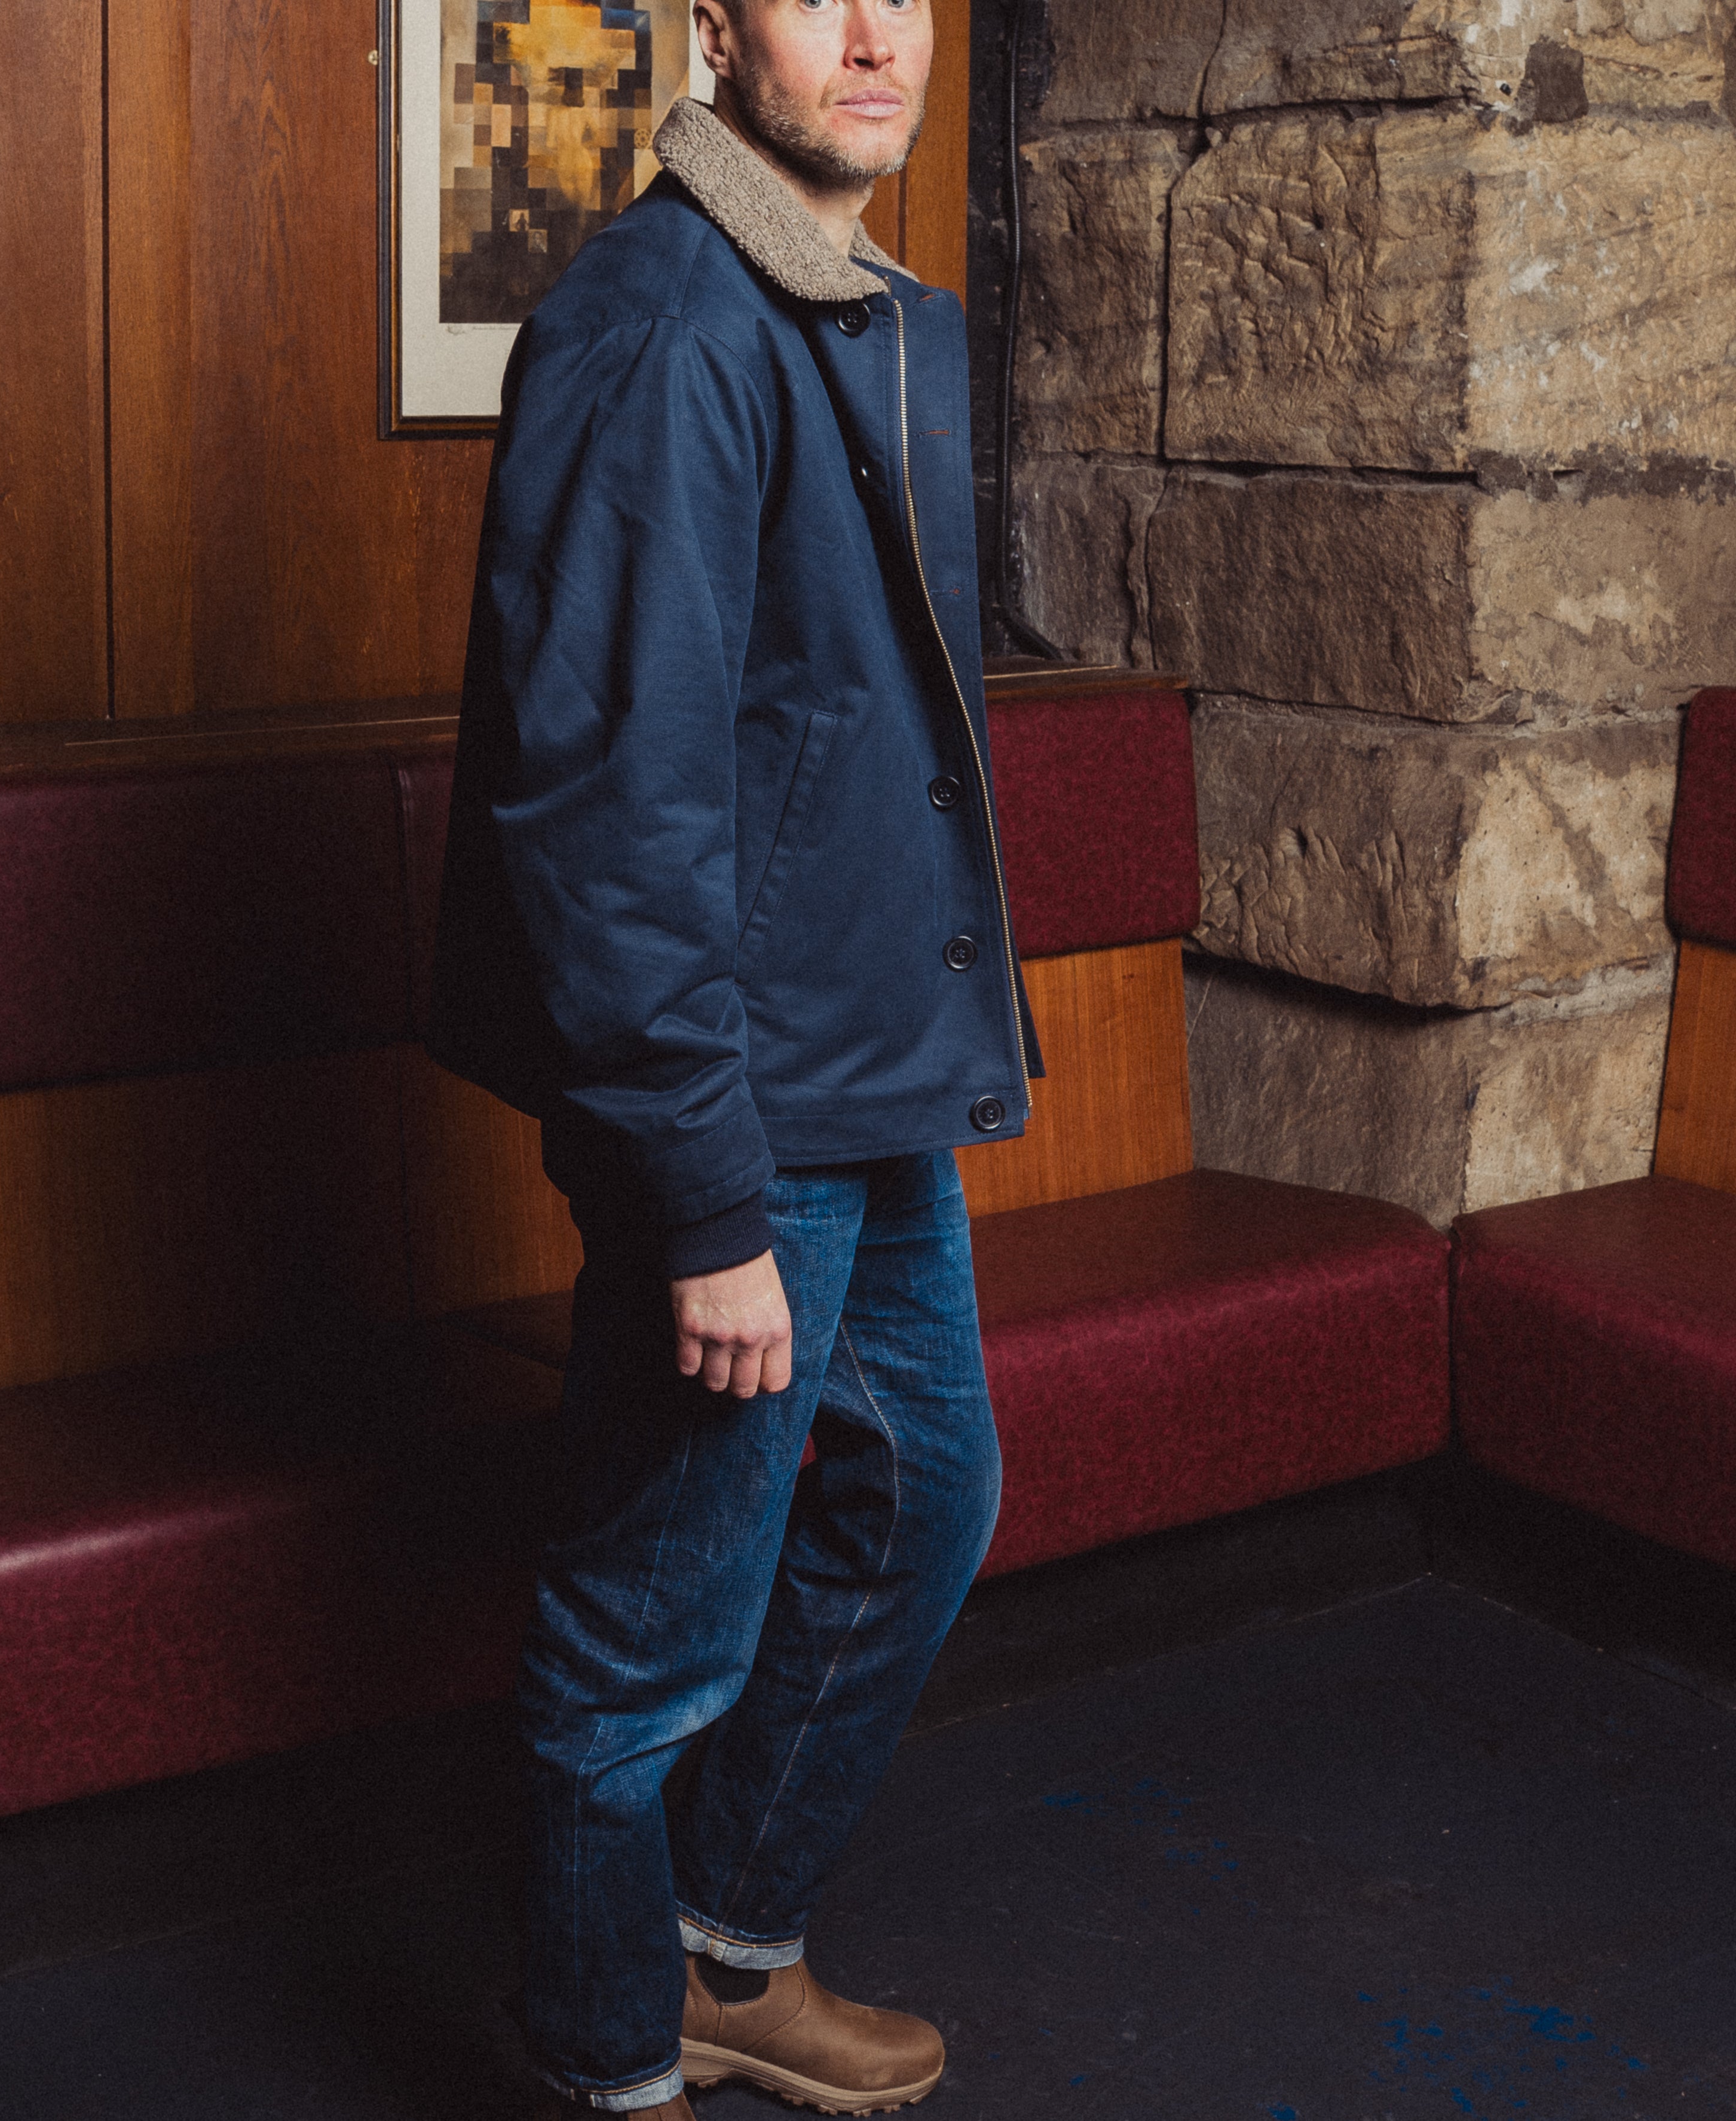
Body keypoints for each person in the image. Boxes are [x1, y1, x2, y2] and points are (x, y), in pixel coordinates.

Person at [430, 0, 1041, 2111]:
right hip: (738, 1114)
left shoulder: (838, 304)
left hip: (858, 1078)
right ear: (715, 32)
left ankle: (716, 1954)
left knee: (925, 1507)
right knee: (647, 1645)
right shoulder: (668, 325)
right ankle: (606, 2064)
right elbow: (608, 809)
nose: (878, 35)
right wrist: (697, 1199)